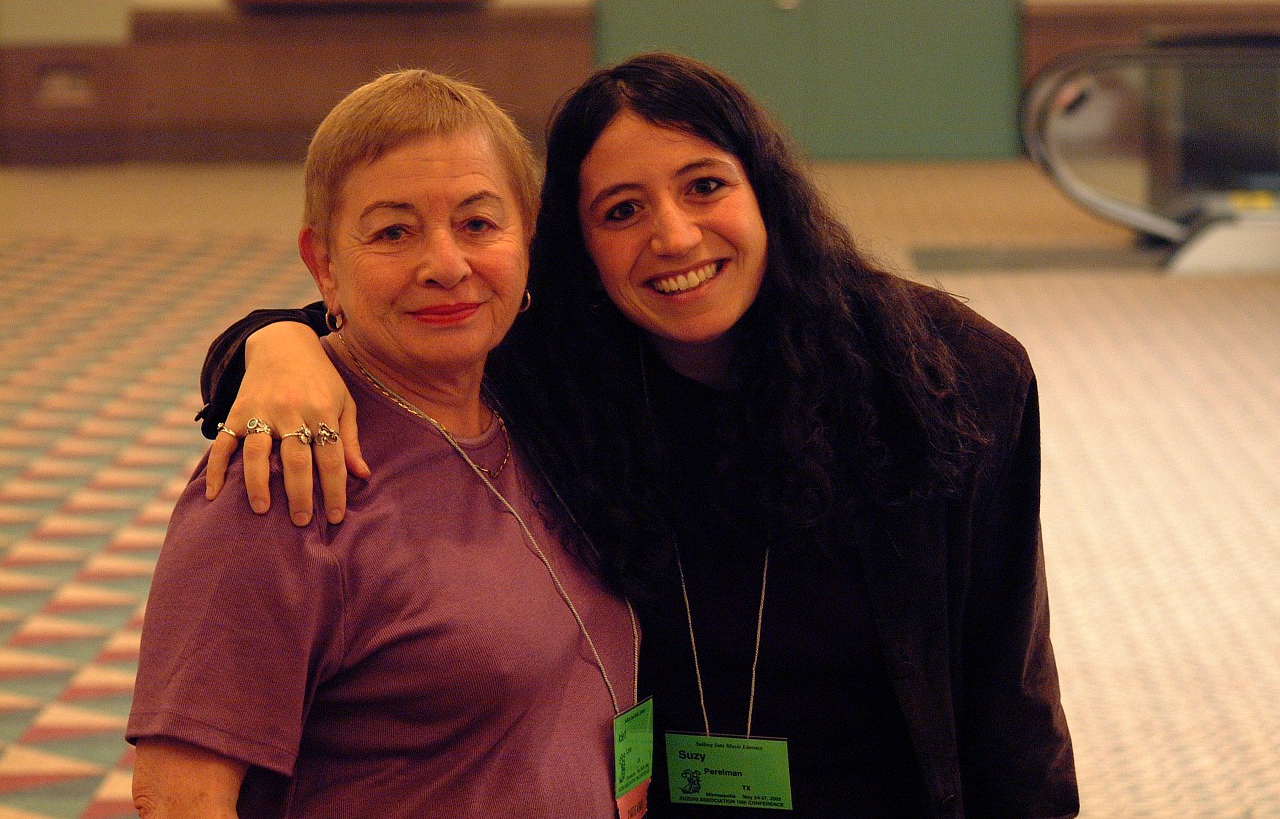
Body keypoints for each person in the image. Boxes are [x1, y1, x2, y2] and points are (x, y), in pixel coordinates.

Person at [197, 52, 1078, 818]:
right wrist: (274, 346)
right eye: (621, 210)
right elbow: (389, 323)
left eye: (705, 186)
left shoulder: (943, 373)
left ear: (764, 191)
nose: (674, 236)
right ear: (573, 247)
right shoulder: (555, 370)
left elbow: (1014, 690)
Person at [126, 70, 639, 819]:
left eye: (477, 223)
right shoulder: (285, 475)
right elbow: (176, 799)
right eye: (393, 231)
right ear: (324, 261)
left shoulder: (537, 405)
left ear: (528, 233)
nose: (445, 264)